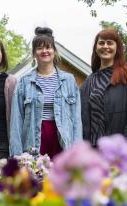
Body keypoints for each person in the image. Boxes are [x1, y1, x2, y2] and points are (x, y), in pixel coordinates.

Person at [10, 27, 82, 158]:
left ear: (54, 51)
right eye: (39, 48)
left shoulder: (69, 80)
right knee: (36, 177)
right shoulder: (24, 82)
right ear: (34, 53)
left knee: (61, 178)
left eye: (48, 47)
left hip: (62, 139)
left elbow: (76, 120)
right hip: (34, 140)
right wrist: (16, 155)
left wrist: (77, 151)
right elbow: (16, 121)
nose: (44, 51)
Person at [80, 28, 127, 156]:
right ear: (96, 48)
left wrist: (126, 147)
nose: (105, 46)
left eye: (110, 43)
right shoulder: (89, 81)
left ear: (117, 47)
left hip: (124, 151)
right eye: (101, 43)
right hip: (97, 153)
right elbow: (83, 118)